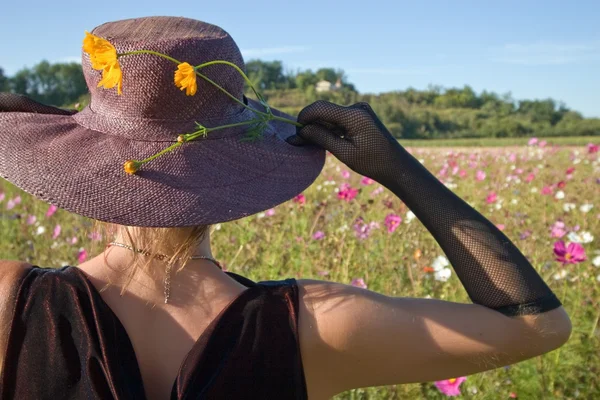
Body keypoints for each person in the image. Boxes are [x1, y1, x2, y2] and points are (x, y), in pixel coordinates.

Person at [0, 16, 571, 400]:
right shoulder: (315, 326)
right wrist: (401, 170)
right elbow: (536, 327)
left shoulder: (9, 304)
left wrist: (34, 124)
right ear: (233, 172)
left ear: (85, 163)